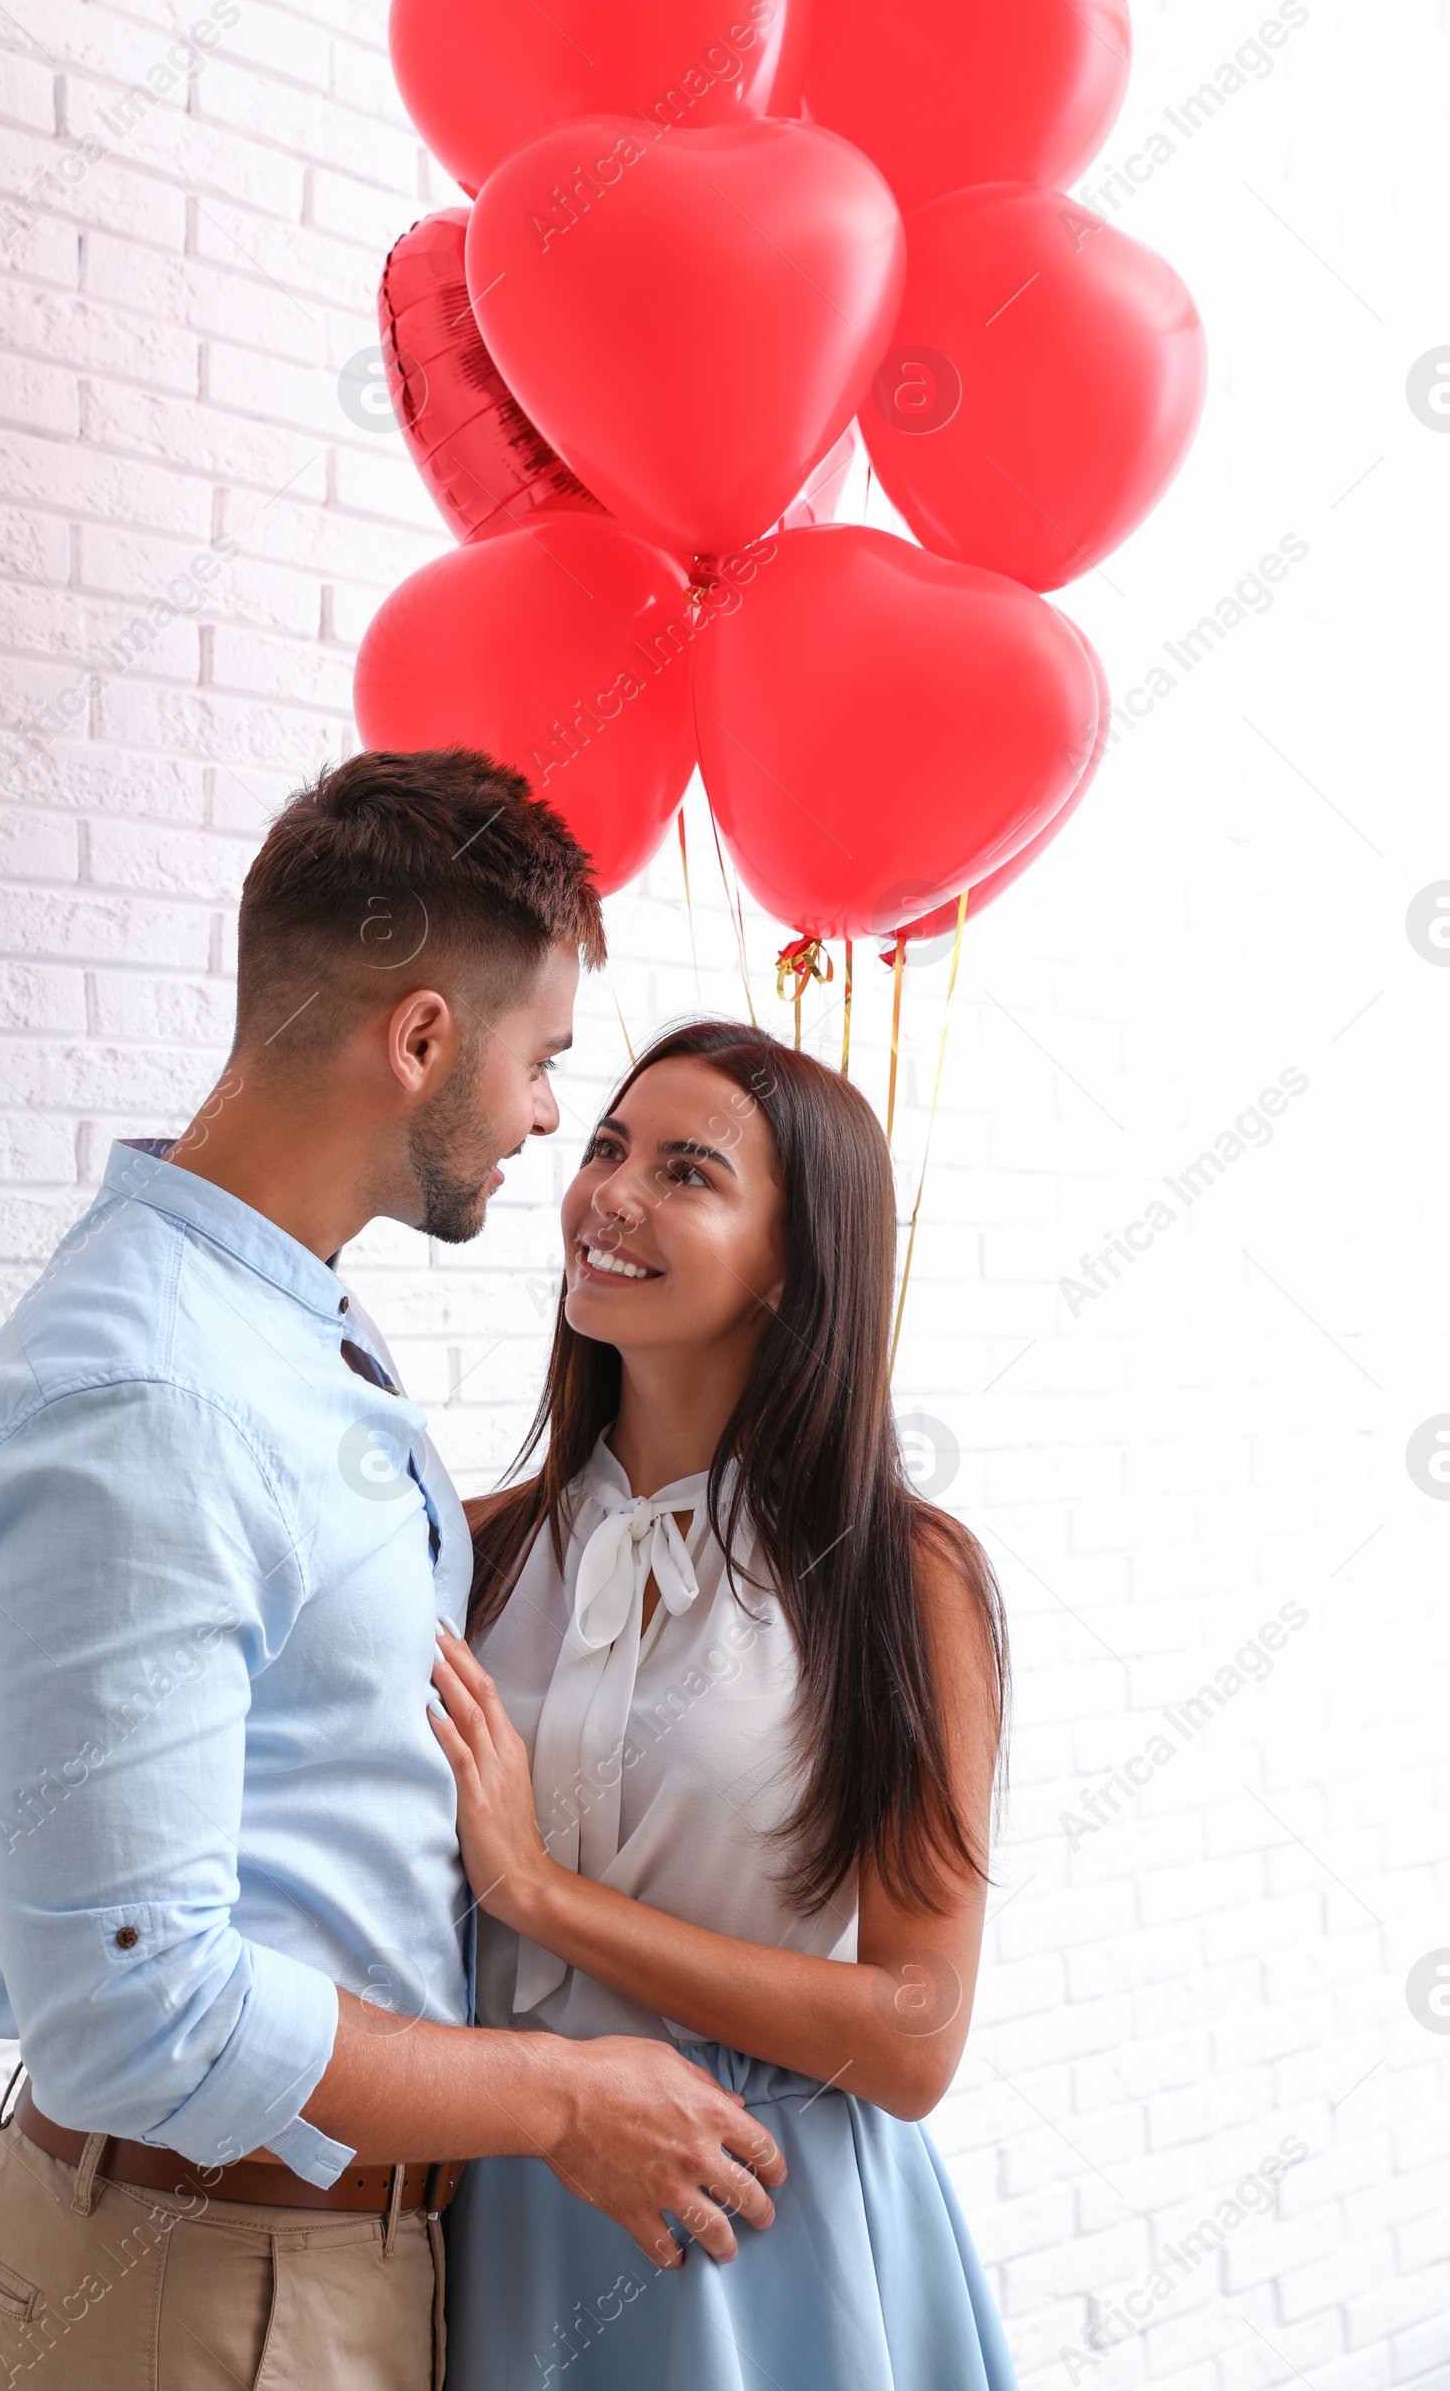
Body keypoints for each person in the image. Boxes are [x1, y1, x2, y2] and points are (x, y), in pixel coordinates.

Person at [0, 754, 783, 2391]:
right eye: (541, 1066)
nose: (547, 1121)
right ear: (422, 1041)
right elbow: (134, 2009)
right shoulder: (164, 1398)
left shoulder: (273, 1314)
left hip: (292, 2274)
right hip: (202, 2303)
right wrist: (565, 2094)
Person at [429, 1020, 1020, 2389]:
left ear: (791, 1269)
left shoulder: (903, 1581)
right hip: (510, 2193)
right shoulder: (472, 1549)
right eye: (606, 1147)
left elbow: (916, 2034)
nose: (612, 1197)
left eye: (688, 1173)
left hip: (765, 2215)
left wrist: (541, 1890)